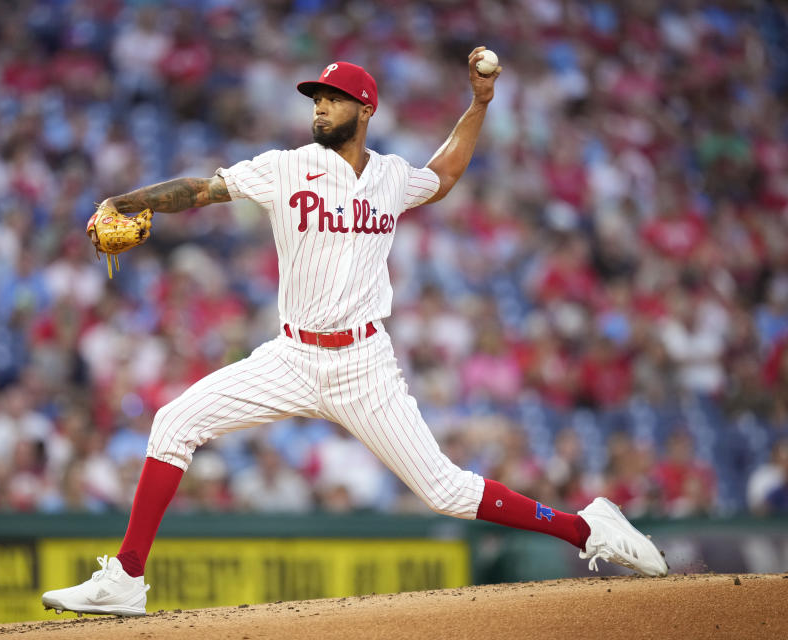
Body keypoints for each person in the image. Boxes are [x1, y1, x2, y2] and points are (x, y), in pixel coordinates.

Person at [42, 49, 667, 617]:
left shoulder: (391, 177)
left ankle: (588, 528)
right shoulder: (285, 168)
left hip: (363, 365)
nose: (319, 107)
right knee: (174, 423)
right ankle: (126, 576)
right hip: (289, 356)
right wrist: (129, 201)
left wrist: (478, 104)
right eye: (315, 99)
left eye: (331, 98)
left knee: (447, 491)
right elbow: (203, 189)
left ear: (363, 109)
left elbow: (444, 176)